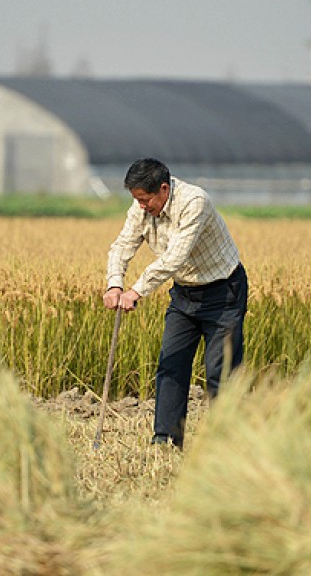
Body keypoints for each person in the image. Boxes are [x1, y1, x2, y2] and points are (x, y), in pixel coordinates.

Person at [104, 158, 248, 450]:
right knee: (171, 364)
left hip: (223, 293)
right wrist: (115, 283)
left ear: (163, 189)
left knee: (220, 372)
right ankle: (166, 440)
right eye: (137, 201)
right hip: (184, 294)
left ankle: (227, 445)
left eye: (145, 200)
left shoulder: (195, 202)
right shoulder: (141, 207)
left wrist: (136, 291)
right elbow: (122, 245)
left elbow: (175, 258)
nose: (142, 207)